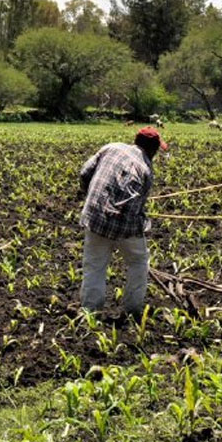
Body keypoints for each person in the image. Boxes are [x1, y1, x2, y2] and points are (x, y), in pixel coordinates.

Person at [79, 126, 167, 318]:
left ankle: (90, 312)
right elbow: (134, 208)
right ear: (153, 150)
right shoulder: (145, 168)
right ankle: (132, 309)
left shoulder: (111, 148)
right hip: (123, 226)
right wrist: (145, 225)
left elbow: (85, 173)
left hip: (94, 219)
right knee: (138, 262)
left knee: (94, 266)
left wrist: (91, 198)